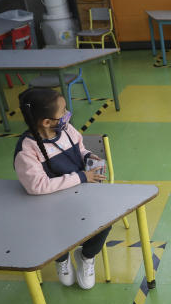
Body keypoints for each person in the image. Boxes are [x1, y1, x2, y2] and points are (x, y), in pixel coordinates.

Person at [13, 87, 108, 290]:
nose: (67, 114)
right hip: (50, 204)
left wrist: (87, 157)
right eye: (63, 111)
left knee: (107, 217)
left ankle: (86, 256)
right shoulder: (27, 150)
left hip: (80, 192)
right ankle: (61, 258)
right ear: (46, 122)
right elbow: (38, 186)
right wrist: (81, 176)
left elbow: (80, 148)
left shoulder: (66, 130)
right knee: (56, 228)